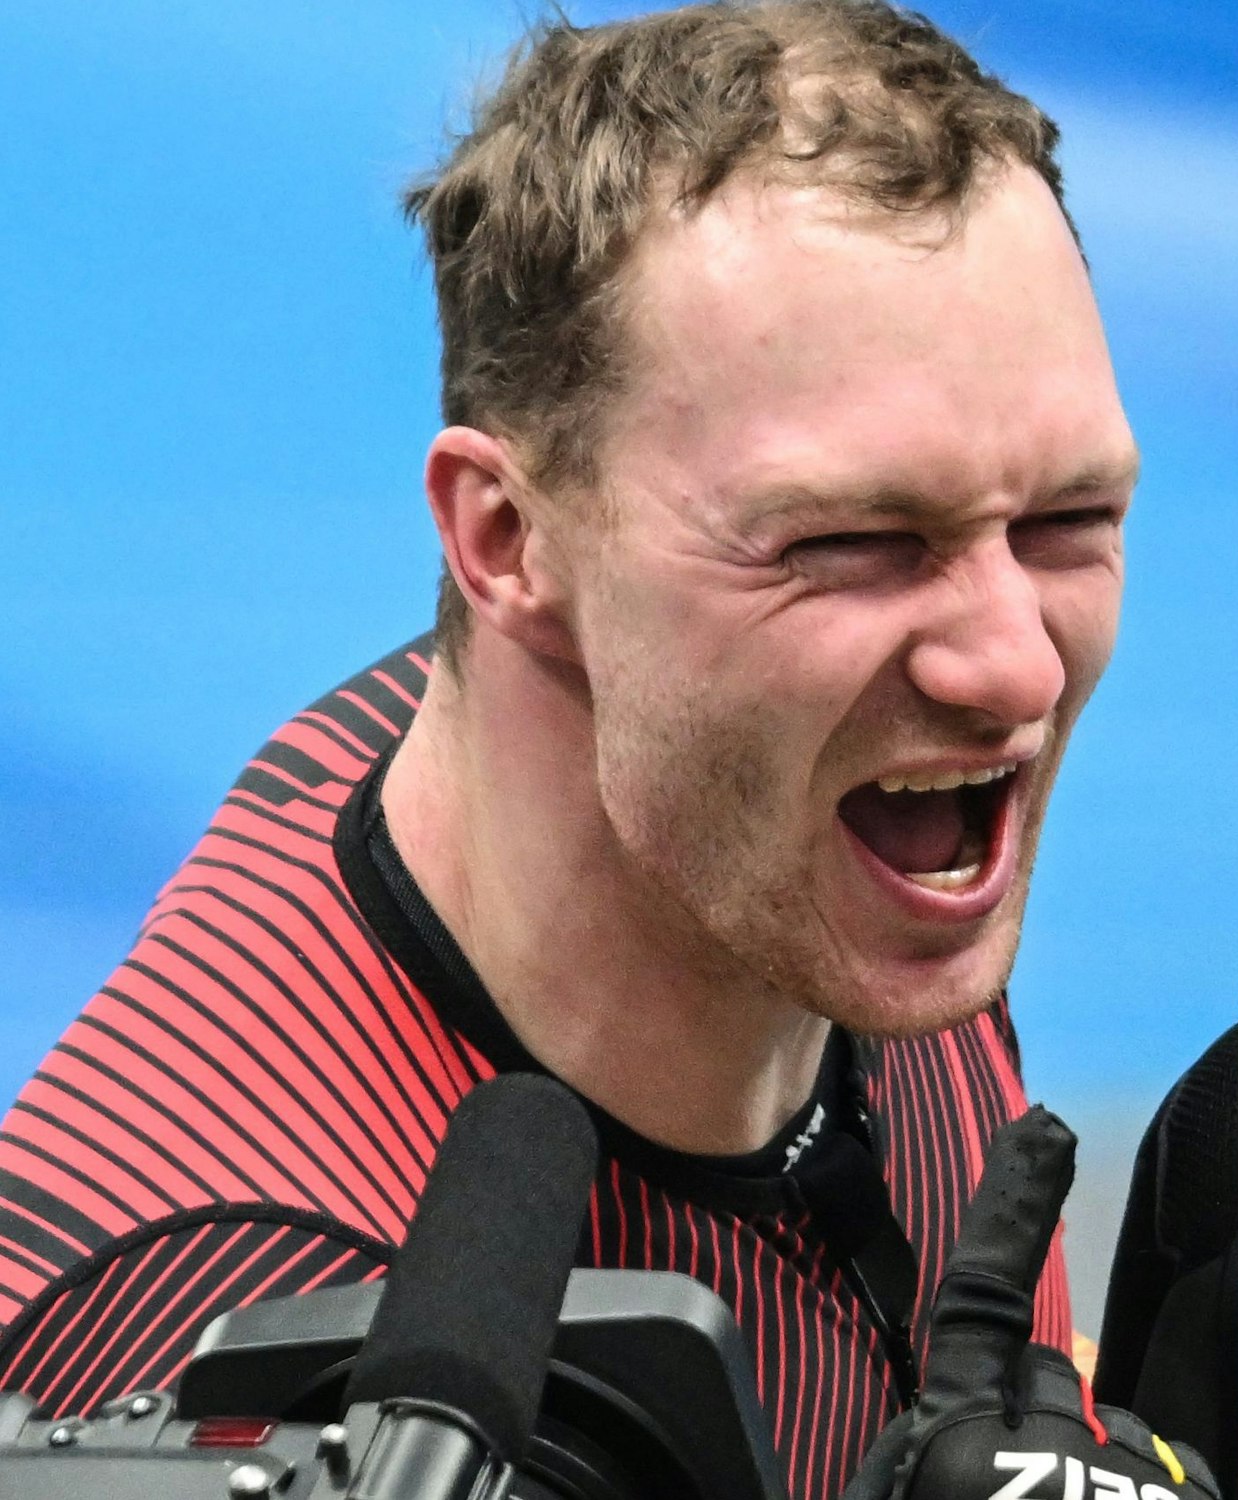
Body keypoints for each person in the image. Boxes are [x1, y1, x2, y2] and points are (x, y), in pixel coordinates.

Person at [0, 5, 1138, 1497]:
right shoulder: (212, 1334)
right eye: (857, 542)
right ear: (509, 542)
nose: (1013, 664)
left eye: (1066, 521)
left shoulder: (802, 823)